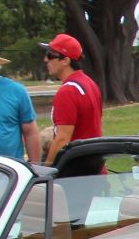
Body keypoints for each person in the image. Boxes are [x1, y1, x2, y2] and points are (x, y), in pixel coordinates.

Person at [40, 32, 101, 164]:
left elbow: (62, 138)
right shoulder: (90, 83)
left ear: (65, 61)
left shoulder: (67, 91)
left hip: (76, 170)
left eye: (50, 55)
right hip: (94, 165)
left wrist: (47, 169)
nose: (46, 59)